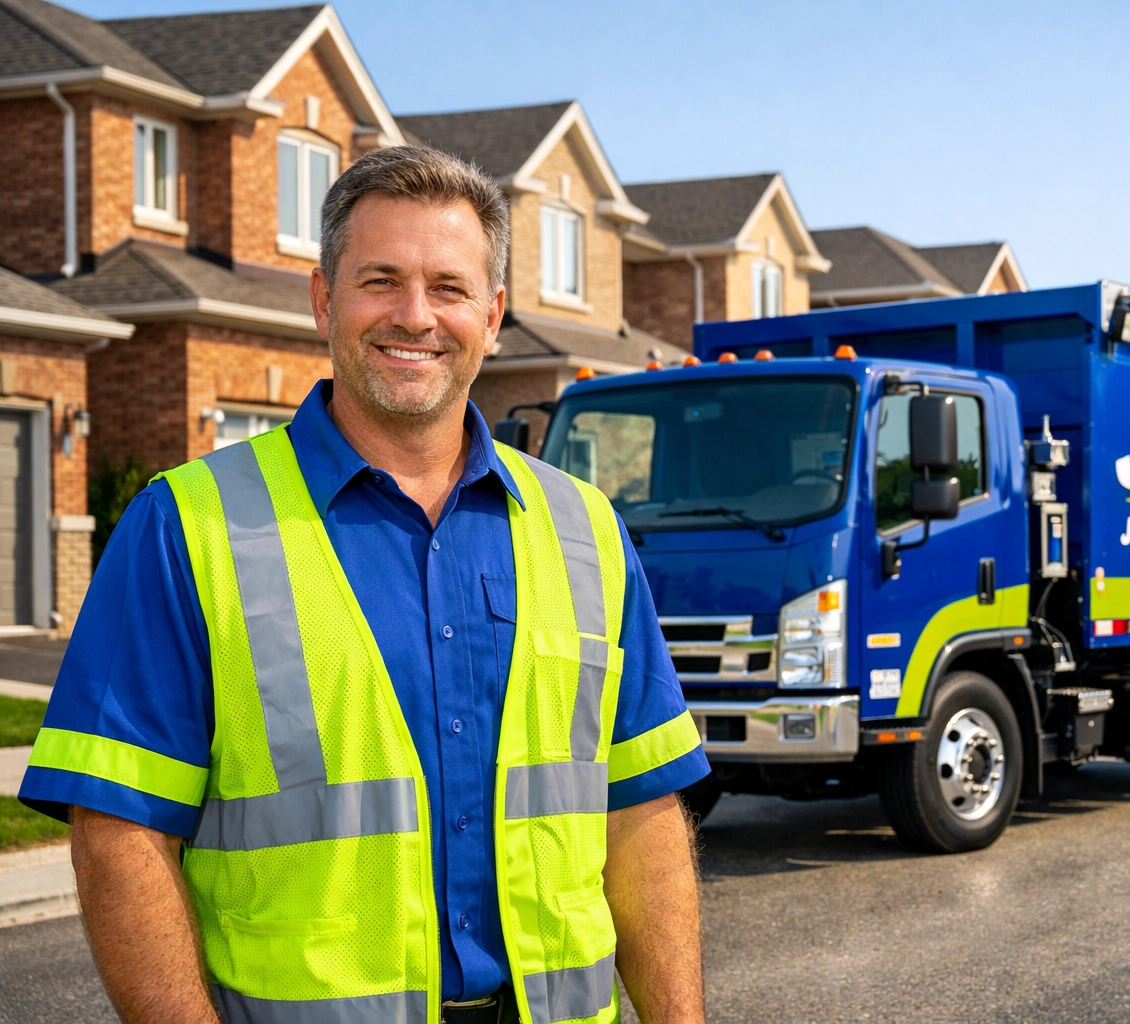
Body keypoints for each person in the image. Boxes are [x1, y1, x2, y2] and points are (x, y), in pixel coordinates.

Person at [20, 146, 710, 1024]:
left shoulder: (587, 530)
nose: (415, 316)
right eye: (380, 280)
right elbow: (119, 837)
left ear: (493, 316)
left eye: (450, 288)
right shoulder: (189, 525)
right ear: (324, 301)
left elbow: (641, 814)